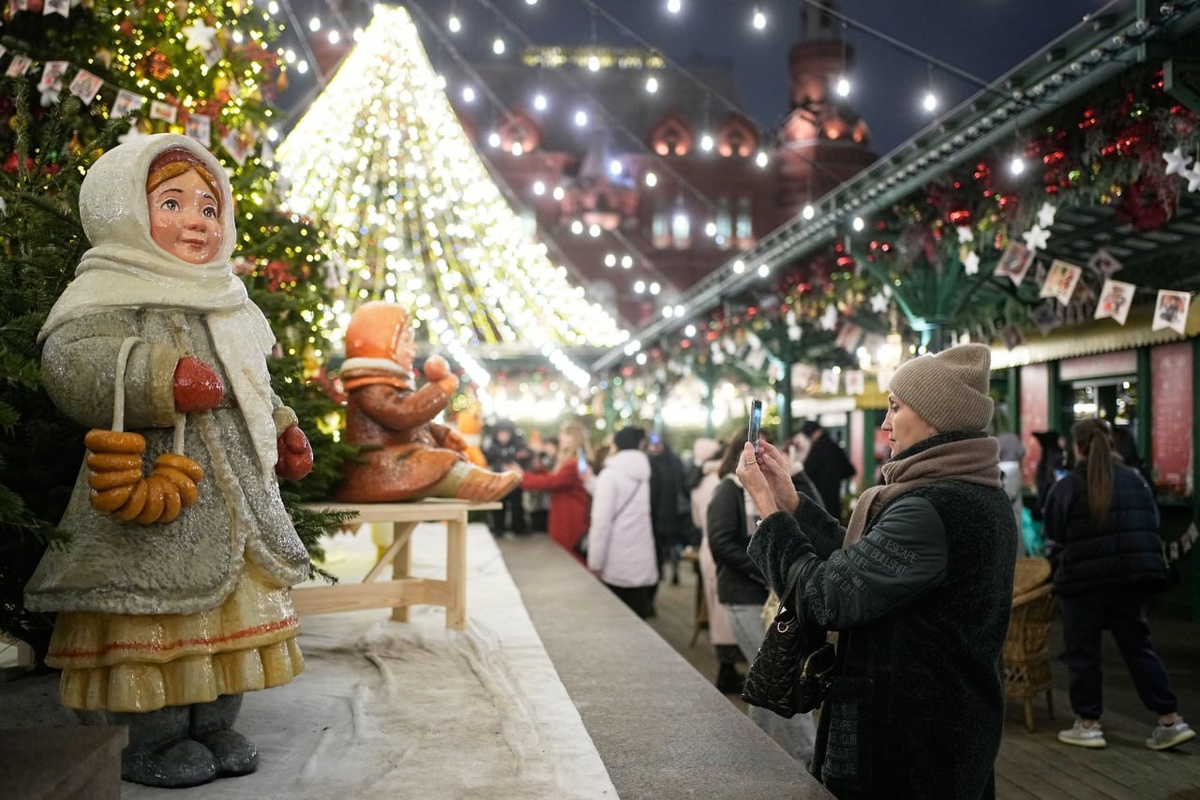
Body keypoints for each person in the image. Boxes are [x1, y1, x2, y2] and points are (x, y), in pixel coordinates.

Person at [26, 135, 314, 787]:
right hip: (152, 510)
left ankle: (214, 725)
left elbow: (252, 386)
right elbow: (72, 363)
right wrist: (158, 375)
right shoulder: (108, 291)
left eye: (209, 208)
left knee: (230, 618)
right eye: (173, 203)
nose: (197, 221)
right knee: (154, 614)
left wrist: (281, 429)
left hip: (235, 508)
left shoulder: (229, 302)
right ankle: (150, 739)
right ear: (126, 210)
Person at [736, 343, 1017, 797]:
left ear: (935, 417)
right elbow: (863, 565)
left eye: (895, 407)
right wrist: (791, 502)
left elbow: (826, 597)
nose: (885, 424)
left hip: (908, 743)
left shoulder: (934, 506)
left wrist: (768, 514)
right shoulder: (973, 491)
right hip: (944, 727)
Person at [1043, 418, 1195, 751]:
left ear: (1077, 447)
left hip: (1082, 582)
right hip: (1132, 580)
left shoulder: (1068, 487)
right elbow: (1153, 522)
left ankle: (1088, 725)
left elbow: (1053, 531)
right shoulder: (1135, 480)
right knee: (1138, 647)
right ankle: (1170, 720)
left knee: (1083, 653)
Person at [334, 302, 520, 504]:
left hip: (396, 457)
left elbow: (409, 424)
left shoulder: (389, 384)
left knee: (436, 460)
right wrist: (438, 390)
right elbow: (402, 414)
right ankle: (480, 485)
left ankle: (479, 482)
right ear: (379, 343)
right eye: (406, 340)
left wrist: (440, 434)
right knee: (436, 463)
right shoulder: (370, 388)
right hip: (376, 467)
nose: (413, 347)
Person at [708, 430, 818, 765]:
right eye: (757, 447)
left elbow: (815, 511)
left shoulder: (772, 485)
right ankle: (809, 757)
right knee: (780, 675)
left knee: (767, 682)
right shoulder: (727, 490)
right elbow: (721, 543)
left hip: (775, 601)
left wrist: (794, 471)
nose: (763, 454)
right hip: (744, 596)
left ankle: (755, 757)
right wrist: (764, 567)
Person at [689, 437, 743, 694]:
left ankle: (726, 668)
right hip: (724, 550)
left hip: (706, 547)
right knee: (726, 612)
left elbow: (697, 520)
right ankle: (727, 672)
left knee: (716, 610)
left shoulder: (698, 480)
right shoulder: (725, 483)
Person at [588, 426, 657, 618]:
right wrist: (590, 482)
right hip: (640, 556)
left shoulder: (610, 474)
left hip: (616, 558)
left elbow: (601, 523)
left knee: (615, 619)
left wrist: (595, 562)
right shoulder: (643, 472)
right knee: (638, 616)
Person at [508, 423, 593, 562]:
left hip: (569, 514)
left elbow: (552, 482)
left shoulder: (572, 463)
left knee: (568, 553)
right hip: (566, 511)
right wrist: (540, 470)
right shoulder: (573, 461)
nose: (560, 439)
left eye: (564, 435)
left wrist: (522, 476)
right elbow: (554, 479)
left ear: (573, 438)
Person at [801, 419, 857, 520]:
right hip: (835, 497)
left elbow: (806, 472)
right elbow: (849, 469)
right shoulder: (834, 446)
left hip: (820, 500)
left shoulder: (817, 449)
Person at [484, 421, 531, 536]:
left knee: (517, 505)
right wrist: (500, 467)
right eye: (501, 433)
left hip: (515, 483)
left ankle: (518, 527)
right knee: (499, 506)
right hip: (499, 482)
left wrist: (515, 465)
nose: (504, 436)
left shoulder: (518, 444)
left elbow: (526, 457)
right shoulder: (492, 446)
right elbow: (487, 461)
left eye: (506, 433)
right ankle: (498, 528)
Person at [997, 431, 1027, 559]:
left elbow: (1007, 496)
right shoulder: (1014, 469)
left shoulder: (1006, 470)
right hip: (1012, 522)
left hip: (1009, 522)